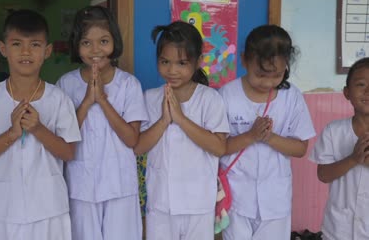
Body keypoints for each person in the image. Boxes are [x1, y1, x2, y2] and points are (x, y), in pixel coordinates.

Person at [0, 9, 81, 240]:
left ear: (47, 51)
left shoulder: (58, 99)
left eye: (35, 45)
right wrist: (12, 133)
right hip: (1, 211)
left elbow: (68, 152)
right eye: (17, 44)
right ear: (3, 49)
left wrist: (38, 129)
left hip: (49, 211)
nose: (26, 52)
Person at [56, 5, 148, 240]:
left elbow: (132, 139)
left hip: (120, 186)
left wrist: (103, 101)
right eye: (86, 43)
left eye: (103, 41)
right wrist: (87, 102)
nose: (95, 49)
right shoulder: (65, 85)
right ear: (76, 45)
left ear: (114, 42)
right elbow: (62, 141)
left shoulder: (129, 85)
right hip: (80, 187)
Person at [133, 21, 229, 240]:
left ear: (198, 62)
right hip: (160, 203)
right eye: (165, 61)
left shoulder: (209, 99)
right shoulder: (150, 97)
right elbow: (139, 147)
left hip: (198, 204)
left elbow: (219, 147)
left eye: (182, 63)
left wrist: (180, 119)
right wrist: (164, 120)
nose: (172, 70)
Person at [218, 24, 315, 239]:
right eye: (260, 74)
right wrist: (251, 136)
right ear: (244, 60)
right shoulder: (227, 95)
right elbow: (218, 147)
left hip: (275, 201)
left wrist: (269, 137)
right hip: (236, 199)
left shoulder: (292, 97)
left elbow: (300, 148)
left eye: (277, 75)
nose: (268, 82)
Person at [309, 58, 369, 239]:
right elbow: (323, 175)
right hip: (338, 230)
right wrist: (353, 158)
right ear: (347, 92)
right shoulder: (333, 131)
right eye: (361, 84)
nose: (368, 91)